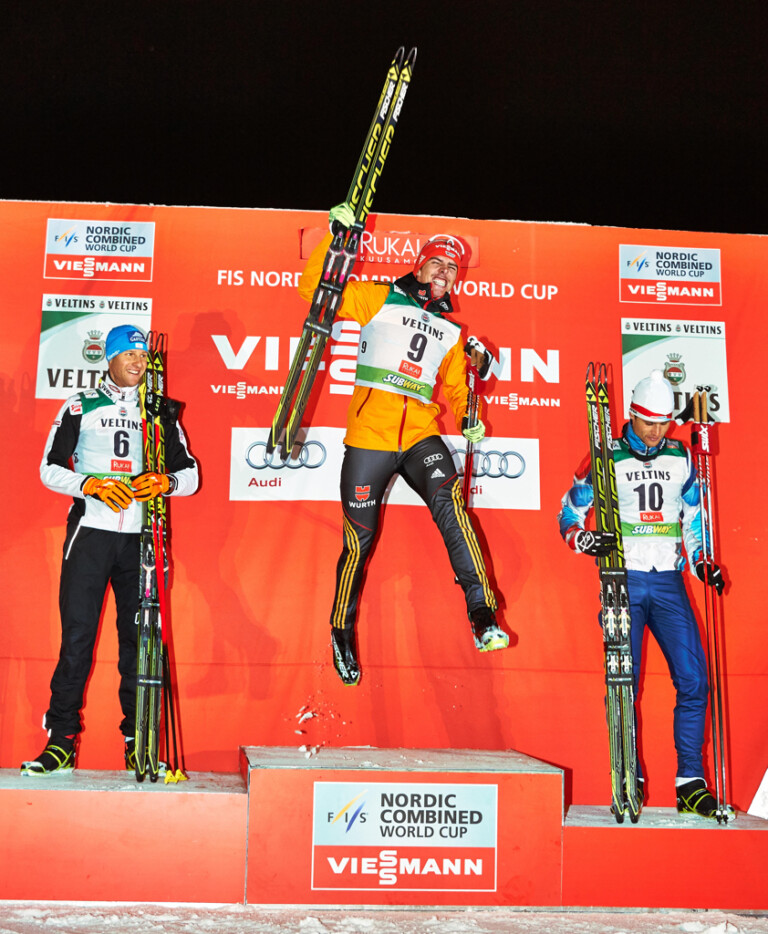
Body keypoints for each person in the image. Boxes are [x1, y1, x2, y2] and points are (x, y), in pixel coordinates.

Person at [298, 203, 508, 686]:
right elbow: (316, 292)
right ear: (420, 264)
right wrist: (336, 238)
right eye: (437, 262)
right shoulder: (381, 297)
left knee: (452, 506)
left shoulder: (454, 332)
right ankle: (340, 629)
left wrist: (470, 416)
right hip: (369, 437)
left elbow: (456, 389)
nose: (444, 272)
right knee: (358, 542)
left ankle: (482, 613)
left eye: (452, 268)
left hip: (419, 434)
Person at [22, 324, 199, 775]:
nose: (138, 363)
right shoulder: (81, 405)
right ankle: (60, 742)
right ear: (111, 358)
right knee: (77, 640)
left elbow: (191, 474)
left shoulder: (158, 411)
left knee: (138, 645)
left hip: (141, 540)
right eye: (129, 355)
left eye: (143, 357)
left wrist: (168, 481)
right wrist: (91, 485)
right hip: (92, 535)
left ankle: (138, 742)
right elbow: (47, 468)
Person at [557, 369, 726, 817]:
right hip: (624, 580)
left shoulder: (680, 455)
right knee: (623, 685)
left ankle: (690, 781)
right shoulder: (605, 456)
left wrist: (703, 559)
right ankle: (628, 769)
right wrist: (583, 539)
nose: (655, 432)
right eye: (648, 421)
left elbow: (693, 515)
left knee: (694, 681)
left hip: (668, 582)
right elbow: (569, 511)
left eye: (663, 423)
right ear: (631, 415)